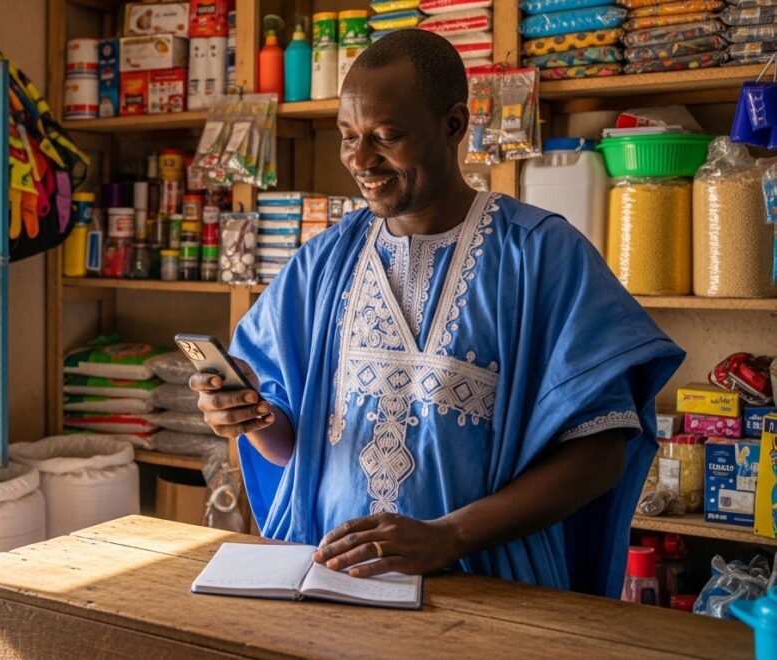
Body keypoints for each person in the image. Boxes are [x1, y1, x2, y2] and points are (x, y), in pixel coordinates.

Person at [191, 29, 684, 598]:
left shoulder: (541, 254)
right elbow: (293, 449)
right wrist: (249, 416)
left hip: (489, 590)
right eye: (348, 137)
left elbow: (600, 453)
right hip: (329, 581)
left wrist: (447, 537)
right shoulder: (323, 262)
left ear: (453, 125)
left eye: (387, 136)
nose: (360, 159)